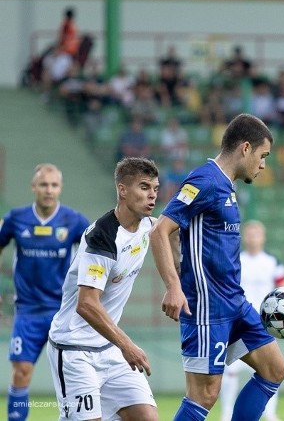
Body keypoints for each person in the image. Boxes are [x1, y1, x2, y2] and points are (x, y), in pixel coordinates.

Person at [149, 113, 284, 421]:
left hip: (234, 302)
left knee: (274, 369)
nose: (263, 164)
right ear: (245, 148)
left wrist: (180, 264)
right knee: (204, 395)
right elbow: (160, 230)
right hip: (208, 309)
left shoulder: (226, 186)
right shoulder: (205, 180)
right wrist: (175, 285)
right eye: (263, 156)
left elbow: (175, 235)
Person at [46, 157, 160, 421]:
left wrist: (175, 283)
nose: (152, 195)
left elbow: (167, 232)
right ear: (122, 189)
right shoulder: (102, 237)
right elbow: (86, 304)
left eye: (155, 188)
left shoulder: (147, 225)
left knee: (147, 418)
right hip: (74, 350)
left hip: (109, 349)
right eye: (144, 187)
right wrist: (126, 345)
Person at [0, 164, 90, 421]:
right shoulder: (16, 219)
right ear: (34, 187)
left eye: (53, 185)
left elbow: (95, 253)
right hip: (27, 312)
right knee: (21, 372)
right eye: (43, 185)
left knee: (74, 378)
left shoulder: (74, 221)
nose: (48, 190)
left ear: (60, 188)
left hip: (64, 313)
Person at [219, 220, 284, 421]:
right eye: (249, 233)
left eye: (256, 233)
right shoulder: (236, 260)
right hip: (239, 326)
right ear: (243, 237)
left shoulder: (272, 263)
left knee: (271, 369)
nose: (252, 237)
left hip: (264, 326)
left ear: (263, 237)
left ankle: (270, 414)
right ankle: (225, 413)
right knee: (230, 370)